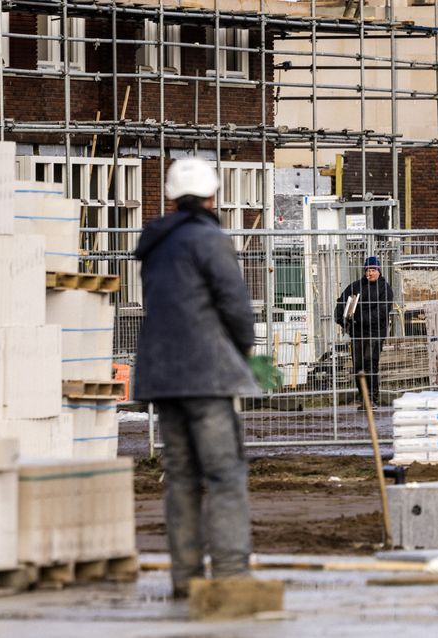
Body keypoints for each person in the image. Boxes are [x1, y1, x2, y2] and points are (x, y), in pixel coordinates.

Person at [133, 157, 259, 599]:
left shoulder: (155, 244)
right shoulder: (210, 240)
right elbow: (235, 307)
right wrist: (243, 352)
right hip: (206, 377)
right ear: (212, 196)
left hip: (163, 377)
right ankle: (230, 574)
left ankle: (185, 578)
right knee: (224, 474)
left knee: (182, 478)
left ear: (171, 196)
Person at [335, 256, 393, 408]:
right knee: (358, 366)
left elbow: (382, 311)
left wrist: (359, 317)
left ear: (379, 271)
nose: (370, 273)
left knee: (370, 363)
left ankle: (372, 398)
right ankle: (363, 397)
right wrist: (341, 318)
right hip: (357, 333)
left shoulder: (384, 289)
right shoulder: (356, 286)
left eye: (373, 270)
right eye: (367, 270)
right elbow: (342, 301)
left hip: (375, 332)